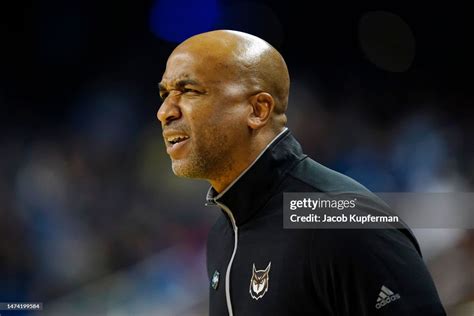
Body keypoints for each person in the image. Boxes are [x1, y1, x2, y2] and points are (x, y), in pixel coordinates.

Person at [157, 30, 446, 315]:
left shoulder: (341, 220)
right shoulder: (223, 234)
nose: (165, 111)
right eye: (165, 94)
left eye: (189, 91)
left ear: (258, 110)